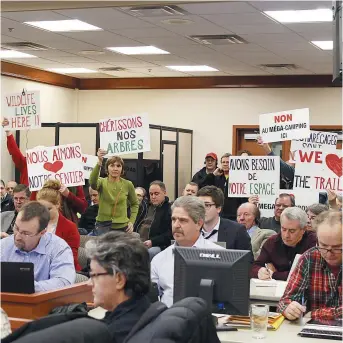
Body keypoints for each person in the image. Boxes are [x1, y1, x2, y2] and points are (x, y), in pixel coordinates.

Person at [2, 118, 88, 224]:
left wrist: (68, 194)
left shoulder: (71, 177)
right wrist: (8, 132)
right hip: (34, 220)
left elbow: (83, 207)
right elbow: (15, 154)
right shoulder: (27, 167)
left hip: (63, 222)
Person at [151, 196, 224, 307]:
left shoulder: (220, 255)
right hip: (168, 320)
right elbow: (152, 300)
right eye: (173, 219)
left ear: (199, 224)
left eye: (183, 220)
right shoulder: (159, 259)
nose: (176, 225)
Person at [85, 231, 151, 343]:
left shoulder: (113, 335)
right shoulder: (145, 309)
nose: (89, 283)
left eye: (94, 275)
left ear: (119, 280)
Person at [278, 211, 342, 321]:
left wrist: (314, 314)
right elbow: (285, 301)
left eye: (337, 247)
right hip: (313, 330)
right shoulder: (309, 258)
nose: (329, 253)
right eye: (323, 245)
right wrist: (289, 308)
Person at [1, 201, 75, 292]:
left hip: (44, 304)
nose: (17, 236)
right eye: (16, 228)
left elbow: (64, 282)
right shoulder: (3, 246)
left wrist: (25, 286)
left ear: (42, 232)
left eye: (26, 233)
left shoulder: (59, 248)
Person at [250, 207, 317, 281]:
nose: (286, 235)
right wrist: (260, 271)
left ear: (303, 229)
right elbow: (254, 266)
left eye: (292, 231)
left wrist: (274, 274)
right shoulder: (272, 242)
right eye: (283, 229)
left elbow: (308, 274)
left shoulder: (313, 242)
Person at [90, 150, 139, 235]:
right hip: (103, 226)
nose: (115, 168)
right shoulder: (102, 182)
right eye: (112, 165)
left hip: (122, 227)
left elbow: (135, 203)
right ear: (107, 168)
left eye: (118, 166)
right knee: (104, 248)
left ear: (122, 169)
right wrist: (99, 163)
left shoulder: (128, 184)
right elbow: (92, 183)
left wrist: (131, 222)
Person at [36, 180, 81, 271]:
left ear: (57, 205)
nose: (44, 212)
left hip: (63, 270)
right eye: (41, 208)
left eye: (48, 209)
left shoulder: (70, 227)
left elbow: (72, 258)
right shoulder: (35, 224)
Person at [197, 186, 252, 253]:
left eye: (207, 205)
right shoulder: (191, 229)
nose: (202, 210)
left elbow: (247, 261)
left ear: (218, 208)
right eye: (199, 205)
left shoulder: (236, 231)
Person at [200, 153, 247, 221]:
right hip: (219, 214)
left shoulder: (238, 178)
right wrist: (213, 175)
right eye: (223, 162)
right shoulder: (217, 178)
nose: (225, 164)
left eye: (228, 162)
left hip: (234, 215)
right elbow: (203, 187)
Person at [136, 181, 172, 260]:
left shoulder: (169, 210)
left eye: (156, 194)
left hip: (157, 244)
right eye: (151, 194)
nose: (153, 197)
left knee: (150, 252)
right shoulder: (145, 207)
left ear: (164, 193)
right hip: (139, 240)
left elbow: (170, 234)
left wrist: (153, 242)